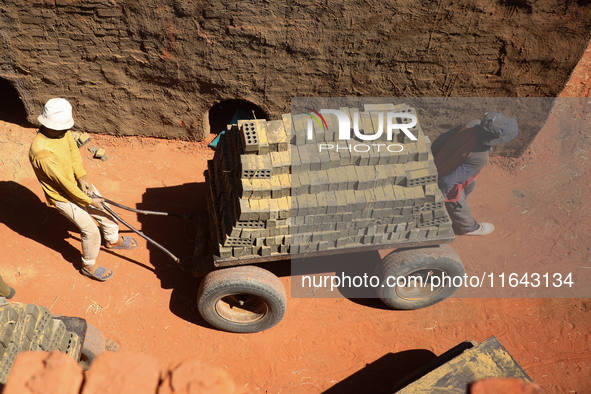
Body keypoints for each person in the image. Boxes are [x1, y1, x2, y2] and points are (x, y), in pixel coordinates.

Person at [29, 98, 138, 281]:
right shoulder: (42, 152)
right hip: (63, 196)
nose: (66, 130)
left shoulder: (62, 133)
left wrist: (82, 176)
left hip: (76, 185)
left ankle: (112, 240)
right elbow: (64, 184)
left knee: (105, 210)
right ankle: (88, 265)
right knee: (90, 231)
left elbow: (73, 153)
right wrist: (88, 200)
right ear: (50, 125)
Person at [431, 112, 518, 236]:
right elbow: (448, 182)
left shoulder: (471, 124)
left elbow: (439, 142)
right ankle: (469, 228)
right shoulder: (480, 157)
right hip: (445, 179)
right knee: (458, 204)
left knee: (471, 184)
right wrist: (438, 201)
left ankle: (450, 210)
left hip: (439, 162)